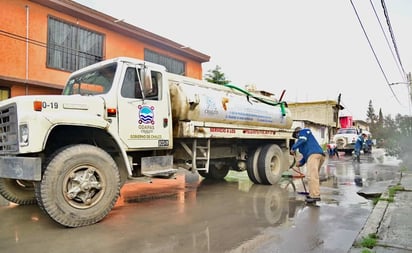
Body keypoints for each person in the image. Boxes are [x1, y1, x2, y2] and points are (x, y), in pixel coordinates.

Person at [290, 127, 326, 203]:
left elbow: (302, 139)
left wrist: (293, 148)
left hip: (314, 155)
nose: (297, 138)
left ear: (297, 133)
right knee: (314, 176)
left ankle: (315, 196)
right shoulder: (303, 145)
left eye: (296, 136)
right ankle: (312, 194)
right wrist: (300, 163)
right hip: (318, 155)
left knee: (312, 176)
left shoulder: (304, 131)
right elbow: (306, 156)